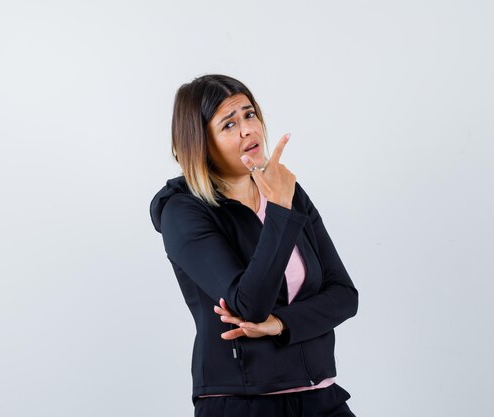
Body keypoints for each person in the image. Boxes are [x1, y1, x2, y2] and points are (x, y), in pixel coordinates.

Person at [150, 74, 359, 417]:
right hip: (241, 402)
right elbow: (248, 305)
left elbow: (344, 296)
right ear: (199, 143)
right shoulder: (183, 211)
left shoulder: (285, 191)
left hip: (319, 396)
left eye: (249, 115)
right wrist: (278, 212)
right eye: (229, 124)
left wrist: (281, 324)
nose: (248, 129)